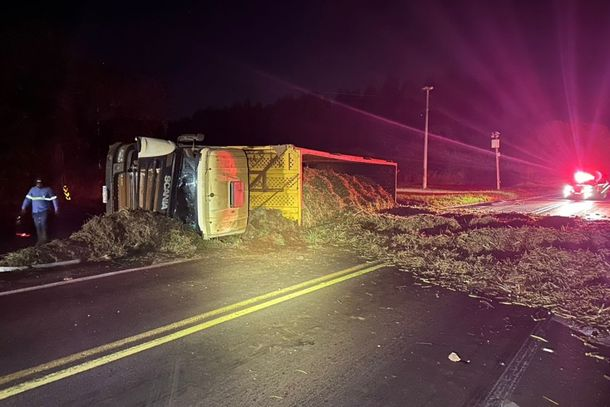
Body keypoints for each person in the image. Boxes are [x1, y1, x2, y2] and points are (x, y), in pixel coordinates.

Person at [21, 177, 59, 244]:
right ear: (36, 183)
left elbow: (54, 199)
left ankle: (45, 239)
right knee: (37, 225)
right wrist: (23, 207)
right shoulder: (32, 190)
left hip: (44, 210)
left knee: (43, 224)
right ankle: (40, 240)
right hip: (35, 211)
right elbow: (27, 199)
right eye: (37, 183)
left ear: (42, 183)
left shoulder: (48, 189)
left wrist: (56, 209)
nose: (38, 184)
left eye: (40, 183)